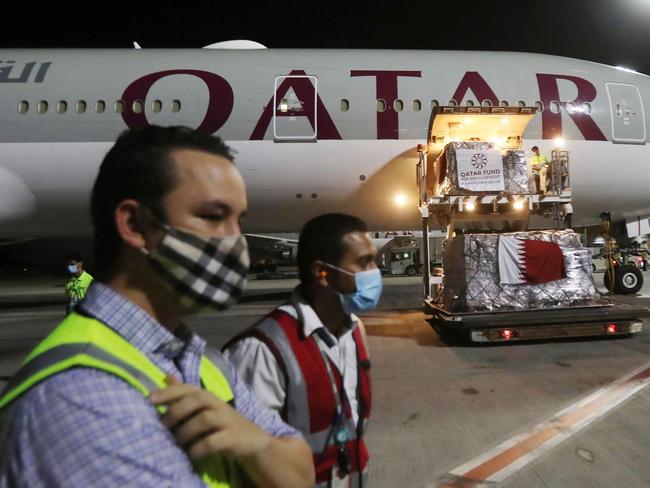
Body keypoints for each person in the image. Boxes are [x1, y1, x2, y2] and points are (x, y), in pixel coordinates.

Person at [0, 126, 314, 488]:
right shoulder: (82, 399)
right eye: (213, 216)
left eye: (238, 220)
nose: (234, 240)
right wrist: (265, 453)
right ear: (135, 225)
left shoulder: (201, 360)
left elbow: (301, 472)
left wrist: (257, 445)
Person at [224, 213, 381, 487]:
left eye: (373, 260)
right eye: (364, 262)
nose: (374, 272)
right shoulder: (261, 351)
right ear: (322, 272)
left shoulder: (355, 331)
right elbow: (251, 462)